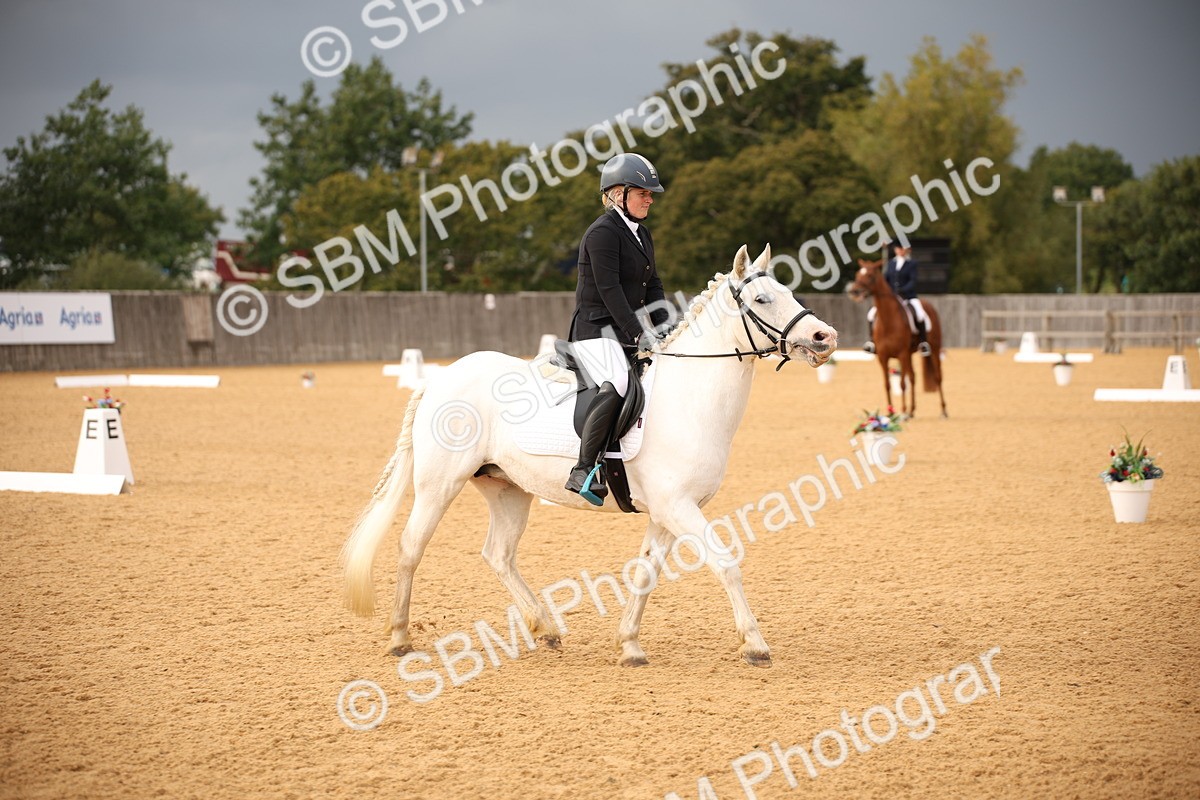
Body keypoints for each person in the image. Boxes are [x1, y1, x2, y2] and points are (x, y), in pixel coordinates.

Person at [564, 153, 669, 505]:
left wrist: (666, 326)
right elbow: (609, 290)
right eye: (643, 193)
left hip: (625, 332)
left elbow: (652, 284)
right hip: (596, 331)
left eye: (650, 194)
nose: (650, 199)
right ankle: (584, 468)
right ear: (617, 194)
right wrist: (639, 332)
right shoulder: (602, 234)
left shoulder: (642, 234)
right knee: (620, 381)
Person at [864, 241, 932, 357]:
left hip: (908, 297)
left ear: (905, 250)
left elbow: (913, 281)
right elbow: (885, 281)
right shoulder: (890, 264)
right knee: (871, 314)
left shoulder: (912, 264)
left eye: (902, 248)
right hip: (892, 298)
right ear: (895, 250)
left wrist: (902, 290)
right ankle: (872, 341)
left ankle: (923, 342)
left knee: (920, 314)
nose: (900, 250)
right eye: (898, 248)